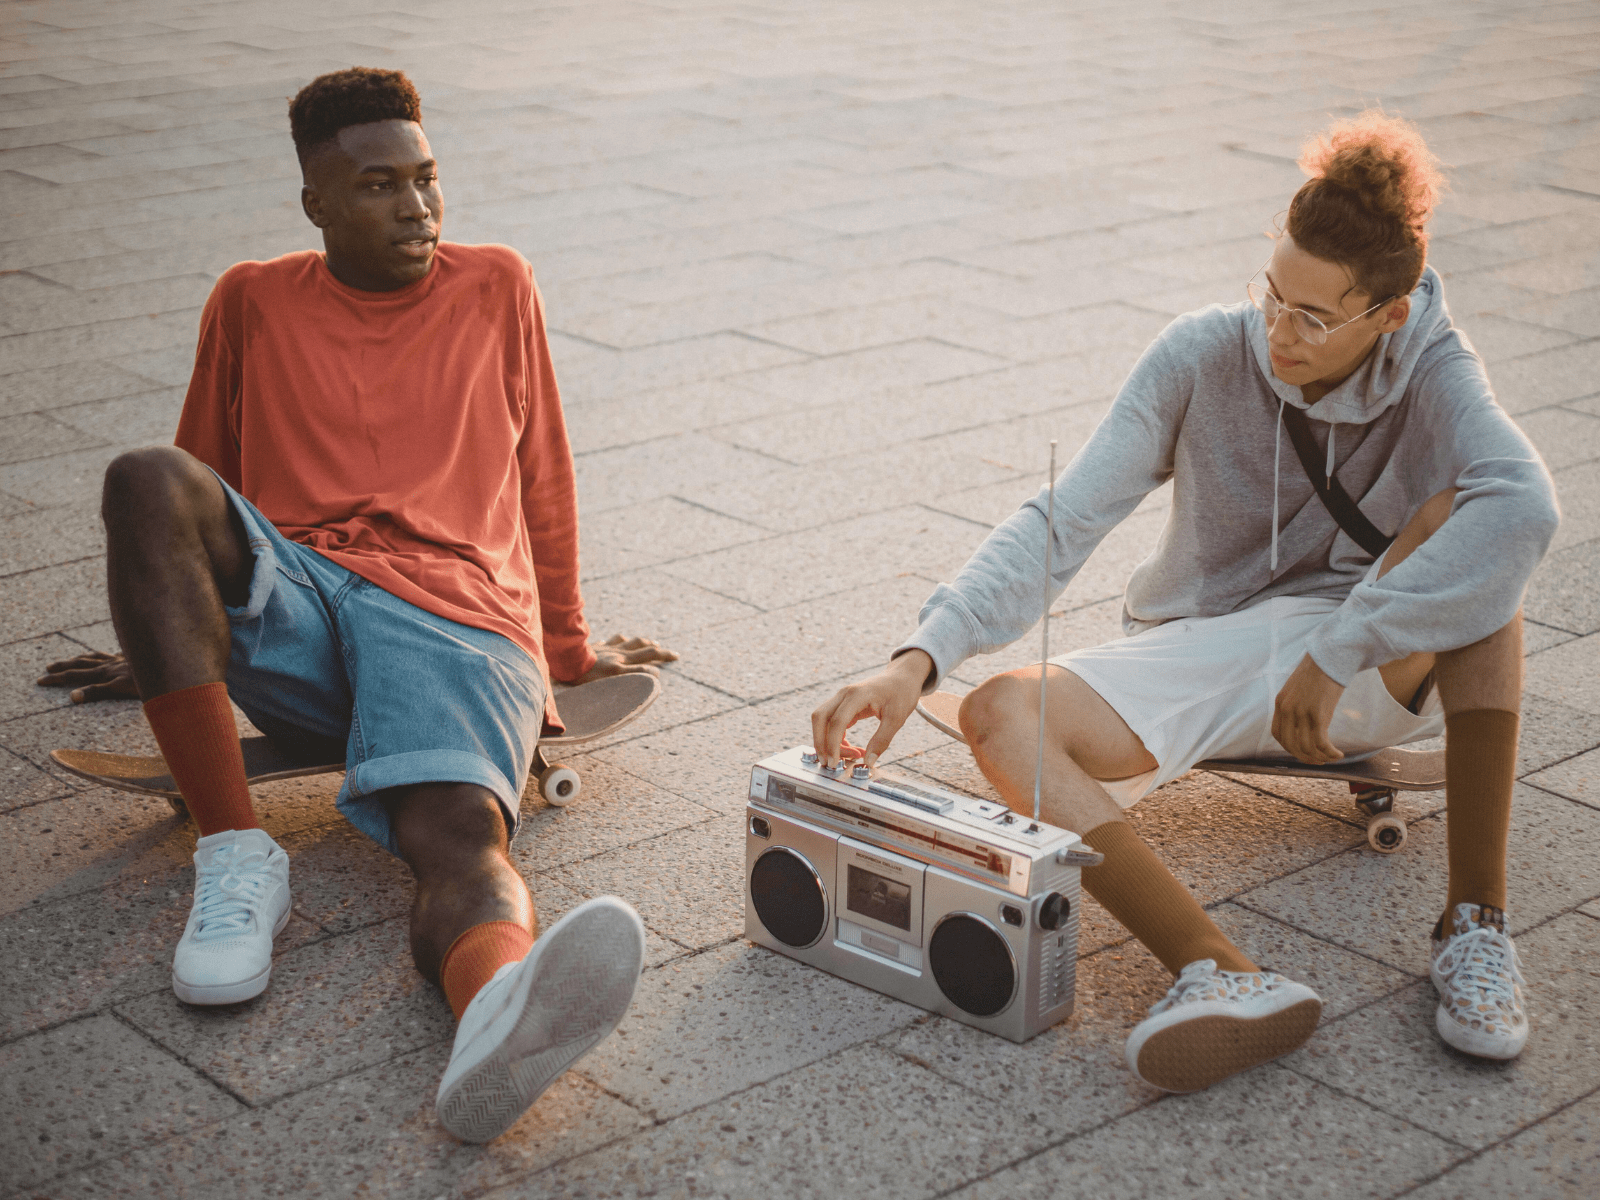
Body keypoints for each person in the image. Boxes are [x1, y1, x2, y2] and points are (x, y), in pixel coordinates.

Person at [810, 111, 1557, 1094]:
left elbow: (1528, 511)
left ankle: (1475, 928)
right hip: (1216, 642)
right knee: (1001, 711)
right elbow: (1063, 516)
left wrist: (1343, 646)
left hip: (1364, 662)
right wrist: (917, 658)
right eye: (1271, 296)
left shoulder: (1436, 370)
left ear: (1390, 315)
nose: (1276, 334)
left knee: (1481, 536)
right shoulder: (1203, 354)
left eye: (1312, 317)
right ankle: (1220, 971)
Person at [37, 67, 677, 1143]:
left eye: (427, 180)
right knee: (143, 475)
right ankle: (238, 858)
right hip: (302, 601)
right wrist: (161, 632)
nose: (418, 207)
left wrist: (563, 649)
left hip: (455, 615)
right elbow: (201, 477)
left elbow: (543, 473)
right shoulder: (251, 297)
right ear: (317, 204)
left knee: (456, 842)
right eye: (380, 186)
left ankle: (496, 1016)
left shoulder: (496, 284)